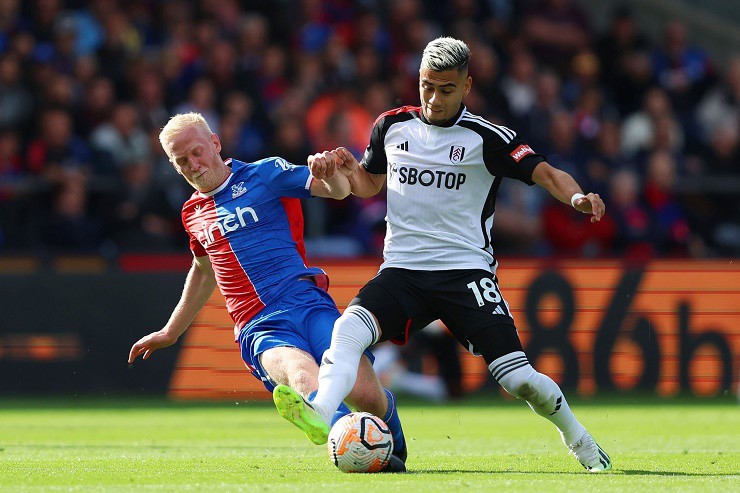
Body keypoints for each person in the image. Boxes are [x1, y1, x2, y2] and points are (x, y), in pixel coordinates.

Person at [274, 37, 611, 472]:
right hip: (402, 270)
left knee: (519, 380)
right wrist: (344, 171)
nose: (433, 98)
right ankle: (321, 411)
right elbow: (368, 184)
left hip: (464, 273)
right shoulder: (391, 126)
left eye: (446, 89)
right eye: (426, 86)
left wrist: (578, 198)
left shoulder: (487, 138)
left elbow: (546, 173)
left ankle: (579, 438)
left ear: (467, 85)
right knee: (347, 331)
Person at [127, 112, 406, 472]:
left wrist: (329, 172)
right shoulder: (192, 213)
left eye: (196, 152)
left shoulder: (265, 174)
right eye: (181, 162)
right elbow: (203, 270)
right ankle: (346, 437)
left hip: (307, 302)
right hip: (257, 325)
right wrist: (170, 331)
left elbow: (338, 192)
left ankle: (389, 442)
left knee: (366, 394)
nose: (193, 166)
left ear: (215, 143)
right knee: (299, 373)